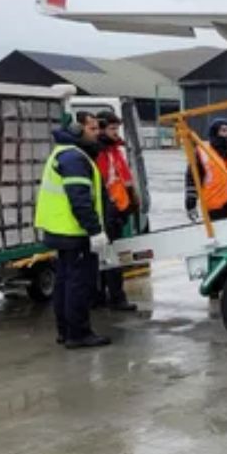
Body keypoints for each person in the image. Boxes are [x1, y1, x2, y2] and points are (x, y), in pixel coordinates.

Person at [34, 111, 112, 349]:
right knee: (78, 284)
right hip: (73, 232)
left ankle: (66, 332)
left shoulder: (65, 153)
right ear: (78, 130)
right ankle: (78, 334)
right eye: (93, 128)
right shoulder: (74, 158)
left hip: (61, 231)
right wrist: (95, 230)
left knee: (65, 283)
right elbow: (79, 199)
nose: (97, 132)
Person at [94, 110, 139, 312]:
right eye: (112, 128)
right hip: (108, 212)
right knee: (111, 258)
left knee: (109, 257)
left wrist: (131, 201)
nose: (116, 132)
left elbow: (124, 178)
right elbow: (102, 185)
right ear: (102, 128)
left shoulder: (113, 151)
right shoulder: (100, 152)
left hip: (117, 210)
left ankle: (104, 296)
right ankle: (114, 297)